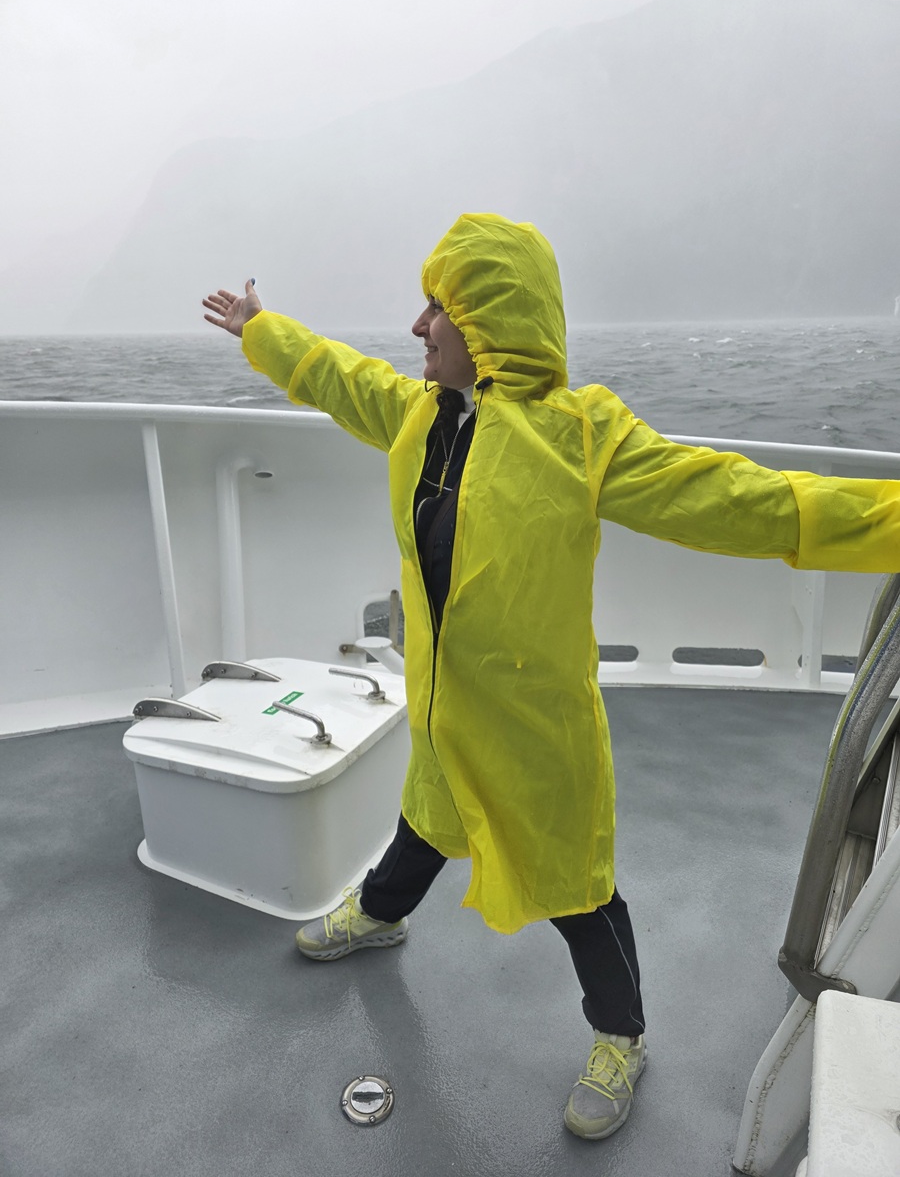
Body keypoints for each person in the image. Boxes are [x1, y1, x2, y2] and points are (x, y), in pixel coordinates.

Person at [203, 212, 900, 1142]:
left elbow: (744, 500)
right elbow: (337, 375)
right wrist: (262, 329)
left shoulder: (579, 437)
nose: (418, 327)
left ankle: (621, 1037)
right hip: (443, 706)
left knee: (577, 889)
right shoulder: (420, 414)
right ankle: (379, 914)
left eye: (439, 309)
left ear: (491, 325)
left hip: (538, 728)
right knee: (426, 819)